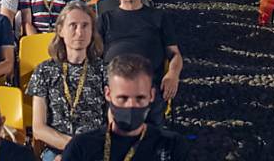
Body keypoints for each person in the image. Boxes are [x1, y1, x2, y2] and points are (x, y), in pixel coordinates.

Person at [98, 0, 182, 125]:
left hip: (148, 84)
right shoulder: (104, 20)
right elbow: (94, 53)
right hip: (114, 84)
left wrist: (173, 74)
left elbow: (175, 54)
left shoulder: (159, 17)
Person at [61, 54, 189, 161]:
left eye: (139, 98)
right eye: (123, 98)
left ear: (151, 95)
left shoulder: (172, 146)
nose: (131, 105)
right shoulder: (81, 147)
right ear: (108, 94)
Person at [27, 1, 108, 161]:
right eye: (73, 25)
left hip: (95, 151)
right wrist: (75, 148)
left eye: (85, 26)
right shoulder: (44, 70)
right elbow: (38, 128)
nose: (80, 32)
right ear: (60, 30)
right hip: (56, 150)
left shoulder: (104, 70)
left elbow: (112, 121)